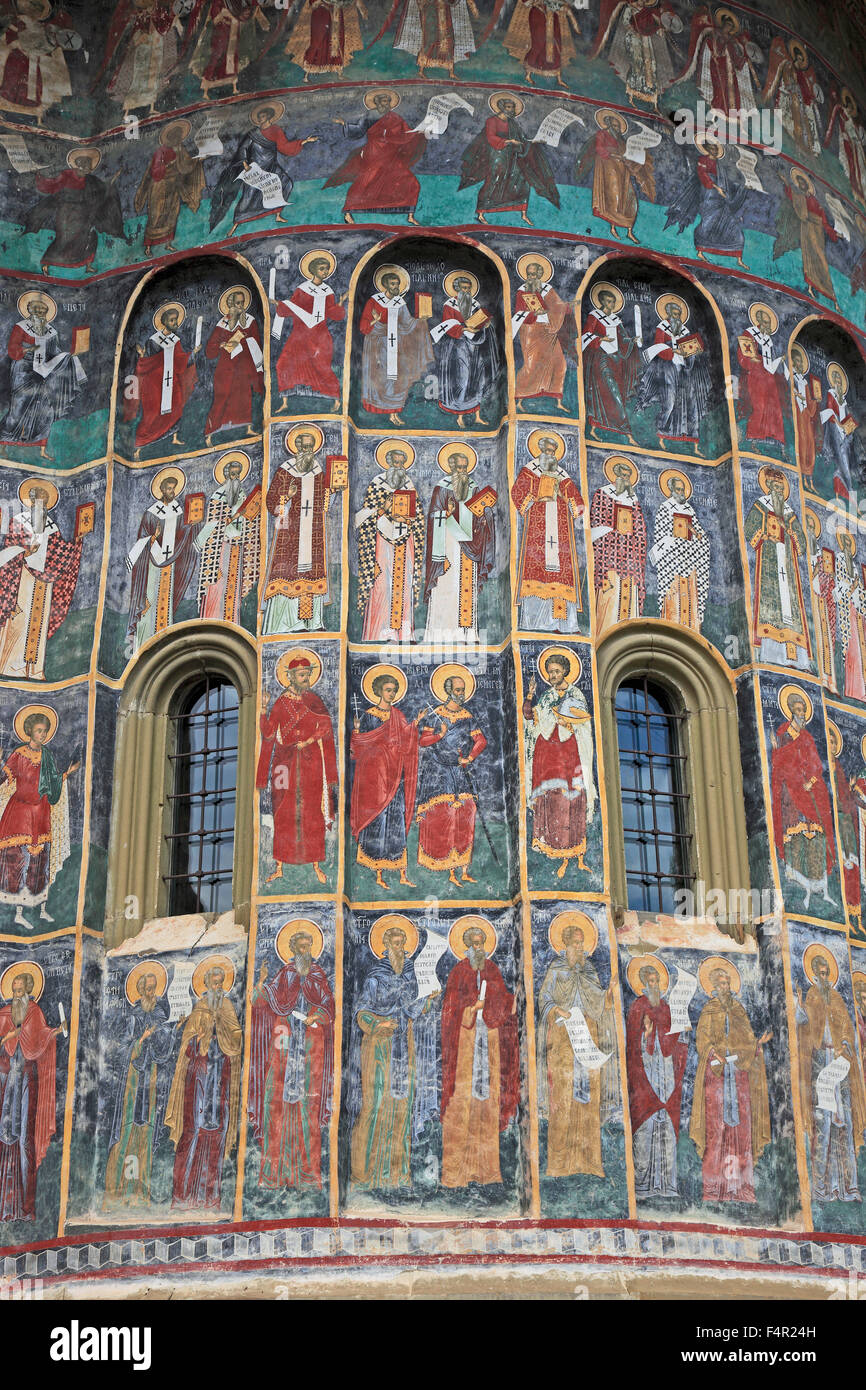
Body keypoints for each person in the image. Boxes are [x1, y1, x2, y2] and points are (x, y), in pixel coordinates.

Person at [349, 922, 438, 1188]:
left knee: (401, 1107)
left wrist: (429, 998)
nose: (402, 949)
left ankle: (397, 1175)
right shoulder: (376, 977)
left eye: (403, 943)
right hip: (379, 1048)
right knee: (376, 1105)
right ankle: (365, 1174)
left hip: (403, 1048)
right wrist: (379, 1024)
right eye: (397, 944)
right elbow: (361, 1011)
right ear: (386, 947)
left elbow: (414, 1008)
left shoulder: (410, 975)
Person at [249, 927, 334, 1189]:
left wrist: (316, 1017)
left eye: (309, 945)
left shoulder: (318, 975)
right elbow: (261, 1002)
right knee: (277, 1104)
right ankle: (275, 1173)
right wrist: (261, 983)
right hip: (283, 1044)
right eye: (300, 945)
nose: (305, 949)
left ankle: (307, 1174)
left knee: (309, 1105)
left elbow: (328, 1006)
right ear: (293, 947)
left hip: (310, 1046)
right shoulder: (284, 974)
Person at [440, 922, 519, 1187]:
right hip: (465, 1045)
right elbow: (450, 1010)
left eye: (481, 942)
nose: (478, 947)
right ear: (466, 945)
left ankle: (488, 1172)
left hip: (490, 1044)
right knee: (463, 1103)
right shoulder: (459, 972)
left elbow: (503, 1004)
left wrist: (505, 1003)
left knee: (488, 1103)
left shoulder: (493, 970)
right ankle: (456, 1174)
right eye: (473, 943)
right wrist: (471, 1009)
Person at [536, 920, 617, 1178]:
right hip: (563, 1040)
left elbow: (598, 1003)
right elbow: (544, 998)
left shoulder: (589, 969)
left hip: (587, 1039)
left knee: (588, 1100)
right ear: (566, 945)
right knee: (563, 1099)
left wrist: (609, 994)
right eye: (575, 943)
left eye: (582, 943)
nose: (580, 947)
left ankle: (590, 1162)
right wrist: (556, 1009)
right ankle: (559, 1164)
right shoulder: (557, 969)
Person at [689, 962, 771, 1203]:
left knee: (740, 1131)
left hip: (738, 1074)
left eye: (728, 983)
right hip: (716, 1074)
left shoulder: (738, 1010)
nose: (726, 987)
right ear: (714, 986)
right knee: (717, 1130)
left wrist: (756, 1045)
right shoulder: (709, 1010)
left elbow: (746, 1038)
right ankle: (714, 1190)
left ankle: (740, 1189)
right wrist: (714, 1053)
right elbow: (702, 1040)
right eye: (722, 983)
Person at [256, 654, 338, 886]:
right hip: (284, 765)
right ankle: (280, 866)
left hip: (311, 763)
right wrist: (263, 709)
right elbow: (270, 733)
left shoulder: (314, 700)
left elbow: (325, 726)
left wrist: (309, 740)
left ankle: (316, 864)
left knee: (312, 810)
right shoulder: (281, 703)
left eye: (308, 674)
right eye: (302, 675)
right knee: (283, 811)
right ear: (291, 677)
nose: (307, 679)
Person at [166, 962, 242, 1210]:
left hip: (219, 1081)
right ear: (207, 983)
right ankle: (182, 1195)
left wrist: (221, 1029)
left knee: (216, 1136)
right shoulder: (198, 1008)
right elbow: (187, 1046)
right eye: (214, 982)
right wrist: (199, 1038)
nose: (217, 986)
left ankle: (211, 1197)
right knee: (193, 1133)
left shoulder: (228, 1006)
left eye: (221, 982)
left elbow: (236, 1041)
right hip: (198, 1080)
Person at [0, 479, 87, 680]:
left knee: (38, 624)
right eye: (37, 500)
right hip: (22, 579)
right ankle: (12, 667)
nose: (41, 504)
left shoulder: (51, 526)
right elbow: (10, 546)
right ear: (30, 501)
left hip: (45, 583)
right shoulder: (19, 521)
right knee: (19, 622)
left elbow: (60, 551)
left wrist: (76, 542)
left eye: (44, 501)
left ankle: (35, 670)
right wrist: (27, 551)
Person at [797, 949, 866, 1202]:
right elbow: (804, 1030)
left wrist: (844, 1045)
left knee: (844, 1127)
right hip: (821, 1068)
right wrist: (798, 1009)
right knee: (824, 1127)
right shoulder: (812, 996)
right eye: (820, 973)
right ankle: (823, 1189)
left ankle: (849, 1188)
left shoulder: (836, 998)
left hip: (840, 1067)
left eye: (827, 973)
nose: (824, 977)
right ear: (814, 974)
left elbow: (847, 1030)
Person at [0, 707, 78, 930]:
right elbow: (6, 777)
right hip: (21, 812)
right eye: (39, 731)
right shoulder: (19, 754)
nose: (43, 735)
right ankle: (18, 912)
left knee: (40, 861)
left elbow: (52, 781)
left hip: (41, 813)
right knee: (20, 860)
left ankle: (42, 909)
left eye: (45, 731)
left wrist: (66, 774)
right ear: (29, 732)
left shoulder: (47, 756)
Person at [104, 966, 174, 1206]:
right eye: (147, 987)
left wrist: (167, 1032)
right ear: (140, 990)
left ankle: (141, 1188)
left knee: (146, 1129)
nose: (151, 991)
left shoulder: (160, 1018)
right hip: (132, 1083)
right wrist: (141, 1040)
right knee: (128, 1128)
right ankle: (119, 1188)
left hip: (151, 1080)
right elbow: (121, 1050)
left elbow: (165, 1047)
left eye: (154, 988)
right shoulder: (133, 1016)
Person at [523, 650, 596, 878]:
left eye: (556, 671)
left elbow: (583, 726)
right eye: (550, 672)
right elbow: (530, 718)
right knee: (552, 802)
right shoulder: (546, 697)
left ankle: (576, 855)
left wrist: (569, 723)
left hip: (570, 756)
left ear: (565, 671)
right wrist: (529, 695)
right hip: (548, 757)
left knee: (571, 802)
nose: (553, 675)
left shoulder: (576, 695)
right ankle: (553, 849)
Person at [350, 668, 424, 890]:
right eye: (388, 690)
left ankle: (402, 873)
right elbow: (359, 747)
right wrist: (356, 733)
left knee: (396, 821)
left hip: (395, 775)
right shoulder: (369, 715)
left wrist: (414, 726)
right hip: (375, 776)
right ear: (379, 691)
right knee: (378, 820)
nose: (391, 694)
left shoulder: (398, 716)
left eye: (394, 691)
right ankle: (379, 873)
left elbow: (406, 740)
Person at [0, 969, 63, 1221]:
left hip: (26, 1080)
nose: (16, 996)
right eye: (13, 991)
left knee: (26, 1138)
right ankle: (5, 1205)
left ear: (28, 991)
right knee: (3, 1139)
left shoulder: (34, 1013)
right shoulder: (4, 1014)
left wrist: (57, 1031)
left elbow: (41, 1040)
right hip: (5, 1084)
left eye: (20, 991)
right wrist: (8, 1037)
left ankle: (25, 1208)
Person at [625, 958, 689, 1200]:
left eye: (657, 981)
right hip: (644, 1077)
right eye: (650, 981)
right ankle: (642, 1186)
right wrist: (646, 1035)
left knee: (667, 1129)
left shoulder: (667, 1009)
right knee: (645, 1127)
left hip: (666, 1075)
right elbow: (632, 1043)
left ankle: (666, 1186)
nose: (655, 985)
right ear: (643, 984)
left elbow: (675, 1044)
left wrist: (682, 1034)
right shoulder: (637, 1007)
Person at [417, 669, 487, 885]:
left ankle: (463, 869)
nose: (461, 693)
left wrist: (470, 757)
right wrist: (440, 734)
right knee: (444, 818)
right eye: (458, 690)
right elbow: (424, 741)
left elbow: (481, 741)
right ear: (448, 692)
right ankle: (448, 870)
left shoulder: (467, 717)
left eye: (463, 690)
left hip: (459, 771)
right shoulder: (436, 714)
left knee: (465, 817)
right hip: (438, 773)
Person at [261, 428, 333, 635]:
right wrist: (287, 495)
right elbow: (271, 502)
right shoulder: (285, 470)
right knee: (288, 573)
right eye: (303, 446)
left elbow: (324, 504)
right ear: (296, 447)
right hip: (290, 531)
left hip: (313, 531)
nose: (307, 450)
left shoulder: (318, 471)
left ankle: (312, 622)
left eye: (310, 447)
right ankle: (286, 624)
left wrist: (331, 491)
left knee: (312, 572)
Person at [0, 290, 87, 459]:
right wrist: (27, 350)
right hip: (23, 370)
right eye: (37, 310)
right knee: (18, 407)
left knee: (45, 409)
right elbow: (12, 349)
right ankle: (4, 443)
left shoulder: (51, 332)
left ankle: (41, 449)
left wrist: (67, 358)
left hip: (44, 372)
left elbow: (55, 352)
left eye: (43, 311)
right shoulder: (21, 327)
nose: (40, 313)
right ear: (30, 310)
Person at [209, 102, 315, 238]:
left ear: (270, 117)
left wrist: (304, 142)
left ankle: (277, 213)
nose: (260, 119)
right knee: (249, 196)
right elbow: (243, 148)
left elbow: (284, 147)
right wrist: (245, 164)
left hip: (271, 166)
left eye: (263, 116)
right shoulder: (253, 133)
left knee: (286, 183)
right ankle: (235, 224)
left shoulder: (276, 131)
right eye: (259, 116)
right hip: (256, 168)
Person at [512, 432, 584, 631]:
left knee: (562, 573)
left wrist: (562, 494)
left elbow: (577, 503)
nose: (550, 455)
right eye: (546, 451)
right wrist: (536, 494)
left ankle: (565, 624)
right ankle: (535, 622)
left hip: (560, 530)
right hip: (538, 528)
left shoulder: (562, 475)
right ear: (540, 451)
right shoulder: (530, 470)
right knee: (537, 570)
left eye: (553, 452)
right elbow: (518, 492)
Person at [770, 689, 835, 910]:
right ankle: (795, 881)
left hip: (808, 792)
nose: (801, 713)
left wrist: (813, 780)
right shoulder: (783, 733)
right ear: (790, 712)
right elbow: (777, 762)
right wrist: (778, 750)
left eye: (803, 710)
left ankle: (817, 884)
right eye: (798, 710)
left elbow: (816, 764)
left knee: (814, 834)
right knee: (795, 836)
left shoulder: (807, 738)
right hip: (790, 791)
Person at [423, 447, 495, 644]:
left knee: (466, 587)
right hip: (447, 543)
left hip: (469, 547)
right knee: (447, 585)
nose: (463, 472)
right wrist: (445, 514)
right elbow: (433, 517)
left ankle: (466, 633)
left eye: (465, 468)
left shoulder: (473, 487)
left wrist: (484, 517)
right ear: (451, 468)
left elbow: (481, 516)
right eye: (459, 468)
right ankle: (440, 634)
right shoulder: (442, 488)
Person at [126, 469, 201, 654]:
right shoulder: (151, 513)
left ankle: (163, 637)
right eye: (168, 488)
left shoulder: (179, 512)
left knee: (165, 603)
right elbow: (142, 537)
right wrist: (152, 539)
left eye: (174, 489)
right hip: (152, 564)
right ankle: (143, 644)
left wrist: (193, 525)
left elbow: (185, 536)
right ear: (161, 490)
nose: (172, 492)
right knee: (149, 599)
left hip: (171, 564)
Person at [355, 443, 425, 643]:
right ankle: (379, 633)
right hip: (381, 544)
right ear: (388, 463)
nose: (400, 467)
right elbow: (363, 518)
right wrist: (384, 509)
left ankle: (403, 633)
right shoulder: (377, 484)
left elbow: (418, 517)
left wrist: (410, 521)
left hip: (405, 545)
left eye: (403, 463)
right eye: (396, 462)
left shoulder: (408, 485)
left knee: (404, 588)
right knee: (382, 587)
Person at [743, 467, 811, 669]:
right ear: (769, 487)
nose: (779, 491)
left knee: (793, 610)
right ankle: (773, 655)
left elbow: (802, 543)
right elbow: (749, 530)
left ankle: (798, 659)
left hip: (788, 566)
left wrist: (791, 532)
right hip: (769, 564)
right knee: (770, 607)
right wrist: (764, 535)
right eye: (776, 487)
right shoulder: (760, 506)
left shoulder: (789, 512)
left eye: (782, 487)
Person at [326, 90, 425, 225]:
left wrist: (419, 132)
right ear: (377, 102)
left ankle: (410, 215)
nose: (387, 104)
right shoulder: (369, 116)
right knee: (364, 182)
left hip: (391, 156)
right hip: (374, 154)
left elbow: (405, 134)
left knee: (411, 182)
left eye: (389, 102)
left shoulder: (395, 118)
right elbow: (359, 130)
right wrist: (345, 125)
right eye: (384, 101)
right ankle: (348, 211)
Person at [459, 93, 559, 227]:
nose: (511, 109)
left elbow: (521, 140)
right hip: (497, 154)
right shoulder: (492, 121)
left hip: (513, 156)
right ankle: (481, 212)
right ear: (501, 107)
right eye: (508, 106)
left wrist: (533, 142)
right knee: (494, 179)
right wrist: (508, 141)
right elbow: (490, 137)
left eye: (512, 107)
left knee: (522, 180)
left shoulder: (513, 124)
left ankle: (523, 213)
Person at [26, 147, 124, 276]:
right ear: (78, 165)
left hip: (84, 215)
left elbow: (102, 189)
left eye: (89, 167)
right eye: (85, 166)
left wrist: (112, 181)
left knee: (90, 237)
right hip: (67, 215)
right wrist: (38, 177)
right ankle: (46, 264)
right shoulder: (66, 176)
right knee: (63, 241)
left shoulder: (90, 180)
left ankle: (88, 265)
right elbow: (52, 185)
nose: (87, 169)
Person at [633, 294, 712, 450]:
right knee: (669, 402)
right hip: (667, 368)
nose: (677, 317)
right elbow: (659, 348)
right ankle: (660, 433)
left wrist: (689, 354)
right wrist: (673, 349)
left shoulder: (684, 330)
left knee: (690, 402)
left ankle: (690, 437)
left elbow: (691, 350)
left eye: (679, 315)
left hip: (684, 370)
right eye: (674, 314)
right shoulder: (662, 327)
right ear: (668, 314)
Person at [358, 264, 433, 424]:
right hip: (377, 345)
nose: (396, 287)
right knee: (381, 376)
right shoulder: (374, 301)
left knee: (398, 378)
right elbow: (364, 326)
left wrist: (421, 322)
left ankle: (394, 413)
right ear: (385, 285)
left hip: (396, 347)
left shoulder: (399, 302)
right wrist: (375, 321)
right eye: (392, 284)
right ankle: (380, 409)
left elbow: (407, 324)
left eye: (397, 284)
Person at [272, 251, 347, 412]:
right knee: (283, 364)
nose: (325, 272)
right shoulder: (302, 289)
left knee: (322, 367)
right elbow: (291, 307)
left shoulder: (328, 291)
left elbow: (333, 313)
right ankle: (285, 402)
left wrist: (339, 306)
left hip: (320, 337)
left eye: (327, 269)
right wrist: (278, 305)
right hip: (299, 336)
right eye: (321, 268)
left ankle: (335, 399)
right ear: (312, 270)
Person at [122, 302, 198, 459]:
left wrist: (192, 354)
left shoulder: (175, 340)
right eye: (172, 320)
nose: (175, 323)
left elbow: (179, 360)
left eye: (176, 320)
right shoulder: (153, 340)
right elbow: (149, 361)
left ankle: (174, 437)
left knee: (177, 406)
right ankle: (139, 445)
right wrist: (142, 356)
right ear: (164, 322)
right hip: (155, 383)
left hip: (172, 380)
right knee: (151, 414)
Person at [195, 453, 261, 624]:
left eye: (238, 474)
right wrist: (226, 521)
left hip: (237, 548)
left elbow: (249, 520)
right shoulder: (218, 496)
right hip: (221, 548)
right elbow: (213, 521)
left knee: (235, 584)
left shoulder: (242, 494)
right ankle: (212, 620)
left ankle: (232, 621)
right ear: (225, 475)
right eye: (232, 474)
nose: (236, 477)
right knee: (218, 584)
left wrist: (245, 520)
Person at [431, 271, 501, 427]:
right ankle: (460, 416)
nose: (467, 291)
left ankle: (477, 415)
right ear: (457, 289)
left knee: (478, 379)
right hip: (458, 346)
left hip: (476, 346)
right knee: (463, 378)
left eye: (469, 288)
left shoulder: (475, 305)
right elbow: (448, 325)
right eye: (463, 288)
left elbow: (480, 323)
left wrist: (485, 325)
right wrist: (463, 330)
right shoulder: (450, 305)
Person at [575, 109, 654, 243]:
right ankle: (613, 227)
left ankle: (629, 230)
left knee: (631, 199)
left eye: (618, 126)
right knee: (614, 197)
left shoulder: (621, 140)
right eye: (615, 125)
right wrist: (613, 155)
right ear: (609, 124)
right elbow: (599, 149)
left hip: (623, 170)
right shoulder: (602, 134)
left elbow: (628, 153)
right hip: (609, 169)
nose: (617, 128)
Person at [590, 0, 683, 112]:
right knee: (637, 65)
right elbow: (625, 22)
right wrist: (635, 29)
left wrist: (658, 29)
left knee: (651, 66)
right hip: (634, 40)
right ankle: (632, 95)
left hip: (646, 41)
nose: (642, 1)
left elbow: (654, 26)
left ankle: (653, 102)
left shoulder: (648, 11)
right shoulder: (630, 9)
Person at [590, 456, 646, 635]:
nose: (626, 480)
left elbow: (640, 529)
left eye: (628, 477)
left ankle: (630, 635)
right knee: (610, 592)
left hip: (630, 558)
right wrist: (614, 530)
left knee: (629, 593)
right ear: (614, 476)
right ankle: (604, 632)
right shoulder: (603, 493)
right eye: (622, 475)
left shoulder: (633, 501)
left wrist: (633, 538)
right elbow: (596, 521)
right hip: (609, 555)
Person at [133, 120, 206, 258]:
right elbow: (155, 172)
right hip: (159, 187)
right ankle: (148, 247)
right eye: (175, 136)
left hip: (174, 186)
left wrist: (198, 160)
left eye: (179, 136)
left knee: (172, 213)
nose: (177, 139)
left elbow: (186, 166)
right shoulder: (161, 151)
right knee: (156, 216)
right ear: (169, 137)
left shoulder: (180, 150)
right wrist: (168, 166)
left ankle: (168, 244)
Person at [649, 470, 709, 632]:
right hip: (672, 564)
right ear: (671, 491)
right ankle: (670, 627)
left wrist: (698, 537)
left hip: (689, 561)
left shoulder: (689, 510)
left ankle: (692, 630)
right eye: (678, 490)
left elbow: (700, 535)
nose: (681, 493)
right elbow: (661, 534)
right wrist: (676, 541)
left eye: (683, 490)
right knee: (673, 597)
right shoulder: (665, 508)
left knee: (690, 598)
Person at [203, 286, 263, 447]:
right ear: (230, 305)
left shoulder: (249, 321)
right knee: (222, 397)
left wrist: (245, 340)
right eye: (237, 303)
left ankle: (247, 427)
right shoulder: (222, 323)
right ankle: (210, 433)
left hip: (244, 366)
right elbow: (210, 349)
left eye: (242, 303)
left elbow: (256, 342)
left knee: (244, 396)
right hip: (226, 367)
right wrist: (221, 344)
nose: (240, 306)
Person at [581, 282, 641, 442]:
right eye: (608, 301)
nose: (611, 304)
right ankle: (623, 430)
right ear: (601, 302)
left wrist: (632, 341)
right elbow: (585, 336)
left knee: (617, 394)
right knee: (609, 391)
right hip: (601, 358)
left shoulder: (616, 320)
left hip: (616, 361)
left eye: (613, 302)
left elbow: (623, 339)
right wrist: (600, 339)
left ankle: (606, 428)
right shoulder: (594, 316)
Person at [512, 256, 571, 411]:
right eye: (529, 274)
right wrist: (534, 313)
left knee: (560, 364)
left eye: (535, 274)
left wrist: (567, 307)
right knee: (531, 365)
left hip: (549, 330)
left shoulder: (547, 289)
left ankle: (557, 401)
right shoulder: (522, 290)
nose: (532, 277)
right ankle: (520, 400)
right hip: (531, 330)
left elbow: (558, 306)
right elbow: (519, 312)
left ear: (540, 275)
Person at [677, 6, 760, 117]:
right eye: (727, 25)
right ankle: (718, 110)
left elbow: (736, 59)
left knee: (734, 92)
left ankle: (733, 115)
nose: (729, 28)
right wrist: (717, 50)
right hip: (718, 67)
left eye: (731, 27)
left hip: (731, 72)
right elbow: (710, 46)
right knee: (719, 90)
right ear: (723, 24)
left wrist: (743, 59)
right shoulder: (715, 34)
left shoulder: (732, 41)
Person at [774, 170, 838, 308]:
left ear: (808, 185)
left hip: (817, 231)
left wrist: (833, 232)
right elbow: (792, 196)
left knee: (820, 258)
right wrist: (786, 183)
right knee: (808, 256)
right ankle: (810, 286)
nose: (802, 185)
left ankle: (828, 290)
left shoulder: (815, 201)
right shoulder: (800, 198)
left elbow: (824, 222)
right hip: (807, 228)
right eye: (800, 183)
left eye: (804, 183)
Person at [737, 304, 789, 447]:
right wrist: (751, 360)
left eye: (769, 323)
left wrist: (779, 361)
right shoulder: (749, 333)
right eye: (765, 322)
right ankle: (753, 436)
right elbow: (742, 354)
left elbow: (769, 361)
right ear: (758, 321)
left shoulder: (768, 340)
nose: (768, 326)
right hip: (755, 374)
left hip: (768, 376)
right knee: (759, 406)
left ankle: (771, 437)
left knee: (773, 408)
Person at [388, 0, 479, 78]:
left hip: (444, 11)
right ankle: (421, 69)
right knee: (429, 40)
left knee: (449, 40)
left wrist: (472, 5)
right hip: (431, 11)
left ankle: (451, 71)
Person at [503, 0, 579, 87]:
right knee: (538, 43)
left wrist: (573, 19)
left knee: (556, 45)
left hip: (553, 16)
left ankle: (559, 78)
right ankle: (528, 74)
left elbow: (560, 4)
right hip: (538, 14)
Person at [285, 0, 366, 79]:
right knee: (318, 39)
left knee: (338, 40)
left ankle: (336, 68)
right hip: (321, 10)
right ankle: (308, 69)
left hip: (336, 10)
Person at [834, 531, 866, 701]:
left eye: (849, 542)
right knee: (851, 652)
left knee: (861, 653)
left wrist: (858, 592)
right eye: (844, 542)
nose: (847, 545)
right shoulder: (839, 559)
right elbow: (838, 586)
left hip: (856, 614)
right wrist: (851, 590)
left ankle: (861, 690)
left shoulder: (853, 566)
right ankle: (852, 690)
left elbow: (860, 591)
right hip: (845, 613)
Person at [820, 363, 858, 504]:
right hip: (836, 430)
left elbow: (847, 415)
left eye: (839, 380)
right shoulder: (831, 393)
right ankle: (850, 490)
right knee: (843, 462)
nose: (838, 383)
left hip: (845, 435)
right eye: (835, 380)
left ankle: (847, 490)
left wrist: (849, 427)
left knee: (846, 460)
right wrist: (840, 425)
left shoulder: (843, 399)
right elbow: (830, 410)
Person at [791, 344, 823, 490]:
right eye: (796, 361)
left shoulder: (804, 382)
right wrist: (795, 394)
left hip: (805, 415)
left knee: (810, 444)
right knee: (802, 444)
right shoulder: (790, 377)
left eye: (800, 362)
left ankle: (810, 479)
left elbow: (809, 402)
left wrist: (815, 401)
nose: (799, 364)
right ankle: (802, 478)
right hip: (796, 414)